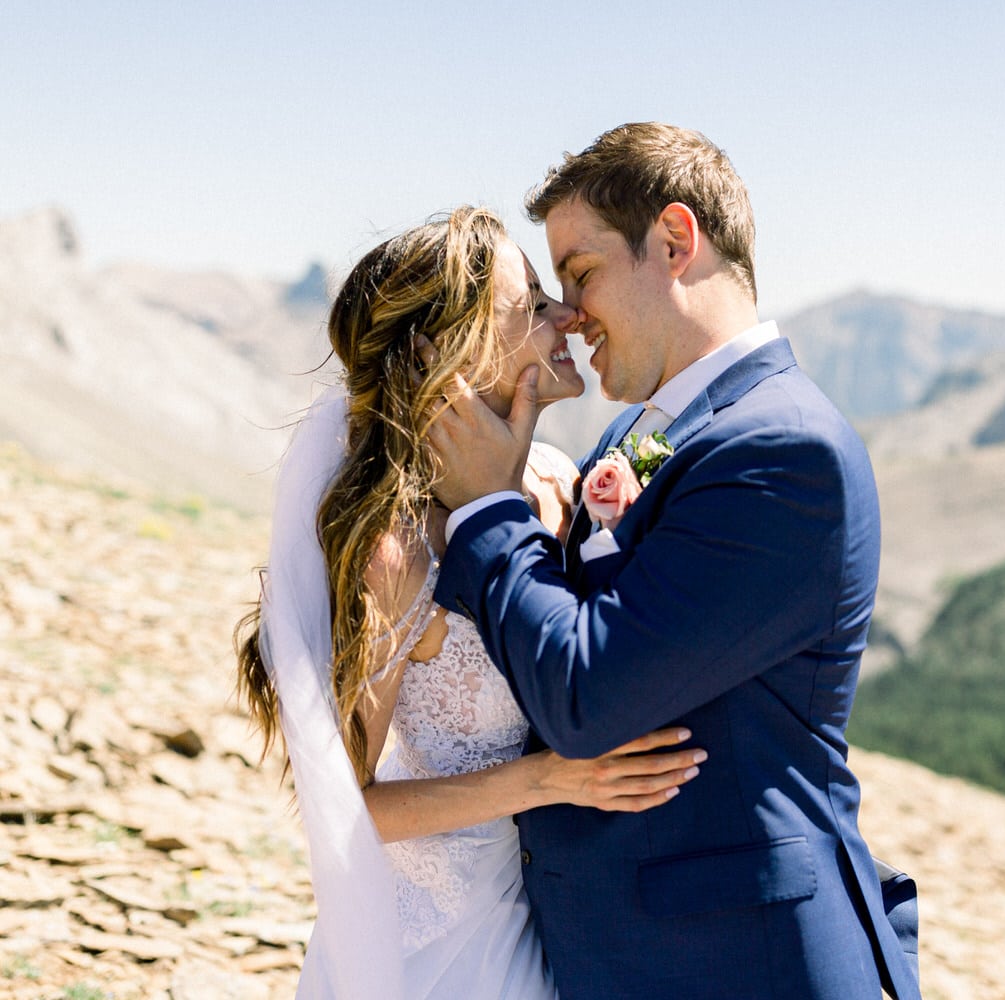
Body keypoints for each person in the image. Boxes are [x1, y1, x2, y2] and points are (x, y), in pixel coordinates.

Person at [424, 124, 921, 999]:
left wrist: (489, 510)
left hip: (740, 962)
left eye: (582, 274)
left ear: (674, 241)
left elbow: (587, 695)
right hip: (630, 952)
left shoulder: (783, 449)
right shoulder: (638, 432)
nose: (570, 313)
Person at [234, 206, 704, 999]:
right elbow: (349, 806)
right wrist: (550, 782)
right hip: (437, 942)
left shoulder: (560, 479)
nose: (568, 314)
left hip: (556, 913)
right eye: (533, 304)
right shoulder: (398, 551)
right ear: (460, 347)